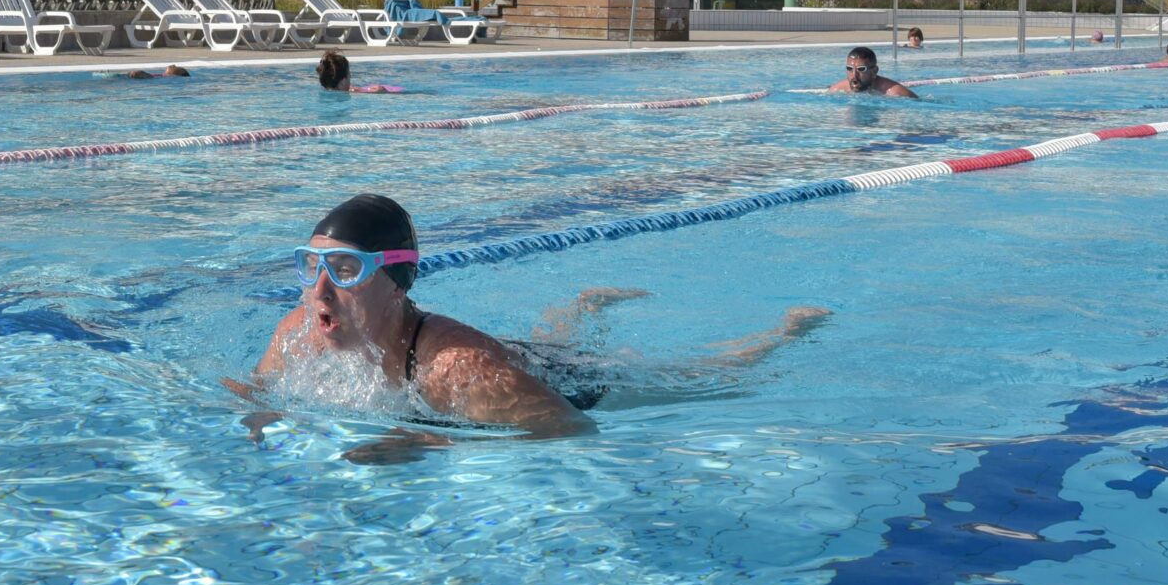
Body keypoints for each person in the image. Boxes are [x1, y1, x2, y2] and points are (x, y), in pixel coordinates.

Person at [228, 194, 829, 463]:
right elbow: (254, 391)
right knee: (551, 340)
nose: (318, 291)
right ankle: (586, 304)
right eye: (311, 266)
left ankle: (784, 331)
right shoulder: (302, 330)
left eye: (343, 270)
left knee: (703, 375)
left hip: (563, 384)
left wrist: (438, 440)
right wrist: (255, 422)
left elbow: (570, 427)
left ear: (397, 281)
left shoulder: (457, 371)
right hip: (510, 357)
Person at [826, 46, 919, 98]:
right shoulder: (837, 90)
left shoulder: (896, 93)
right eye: (849, 68)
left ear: (874, 71)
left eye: (861, 69)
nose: (854, 75)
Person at [316, 50, 401, 94]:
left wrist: (359, 89)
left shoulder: (327, 89)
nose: (350, 77)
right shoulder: (347, 95)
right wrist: (381, 91)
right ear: (342, 82)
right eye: (349, 75)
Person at [111, 64, 192, 80]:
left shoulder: (169, 77)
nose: (174, 65)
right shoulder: (164, 75)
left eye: (176, 67)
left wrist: (142, 74)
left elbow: (151, 77)